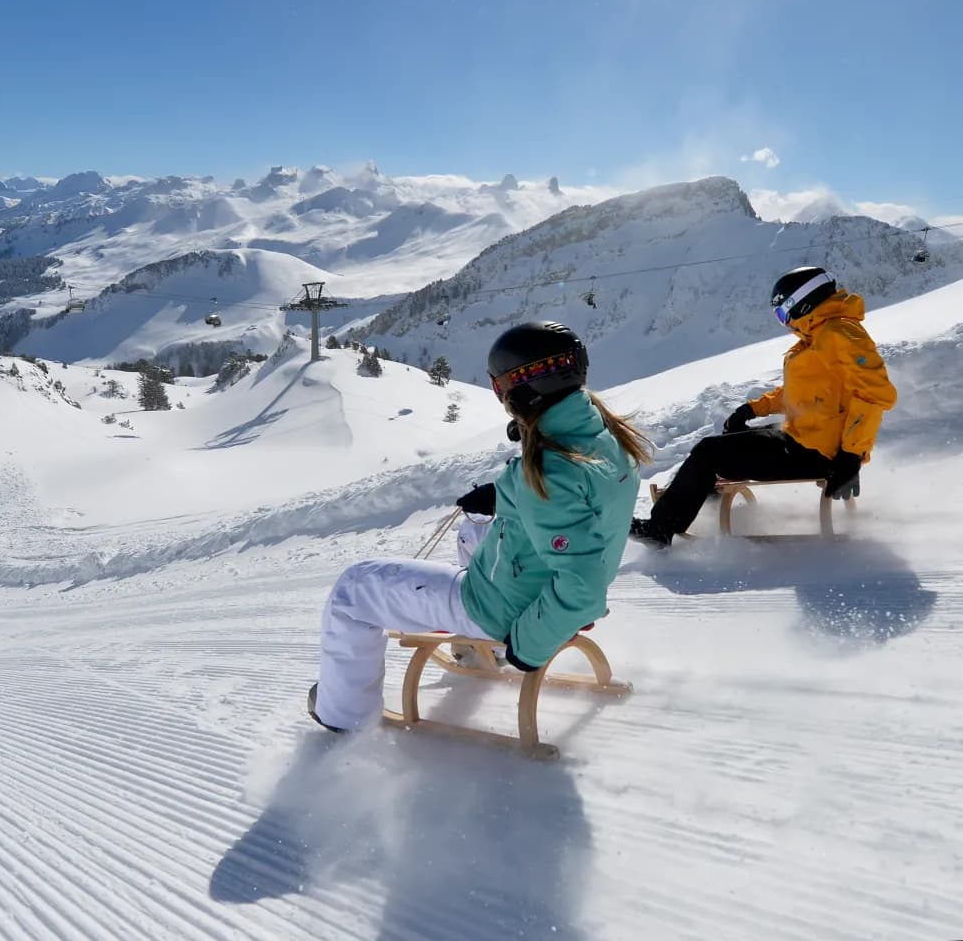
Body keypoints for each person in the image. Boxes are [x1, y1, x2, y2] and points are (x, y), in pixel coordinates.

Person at [307, 321, 652, 732]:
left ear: (517, 390)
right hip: (535, 585)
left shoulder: (550, 468)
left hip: (508, 608)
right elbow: (572, 504)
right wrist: (501, 496)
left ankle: (341, 715)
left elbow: (582, 588)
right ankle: (472, 651)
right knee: (472, 531)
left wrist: (527, 647)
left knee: (355, 587)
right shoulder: (606, 437)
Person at [629, 266, 897, 549]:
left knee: (709, 451)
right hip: (808, 439)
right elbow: (804, 392)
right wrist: (753, 410)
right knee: (729, 443)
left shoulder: (838, 334)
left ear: (802, 302)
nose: (784, 322)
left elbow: (874, 395)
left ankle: (660, 528)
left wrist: (851, 456)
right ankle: (702, 504)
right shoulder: (818, 335)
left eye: (783, 313)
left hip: (820, 452)